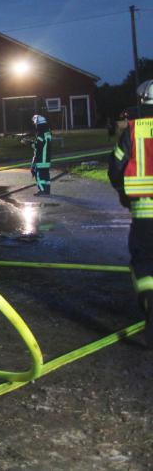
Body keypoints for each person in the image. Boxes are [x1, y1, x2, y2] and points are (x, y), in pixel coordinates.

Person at [108, 79, 153, 346]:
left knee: (145, 263)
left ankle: (150, 303)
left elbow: (115, 167)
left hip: (144, 213)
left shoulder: (134, 130)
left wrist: (123, 194)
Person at [30, 114, 52, 196]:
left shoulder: (40, 134)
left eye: (35, 124)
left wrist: (30, 143)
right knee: (46, 174)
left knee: (38, 174)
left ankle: (42, 190)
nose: (35, 125)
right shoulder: (48, 132)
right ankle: (47, 190)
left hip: (40, 158)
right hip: (47, 158)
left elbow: (37, 146)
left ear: (38, 124)